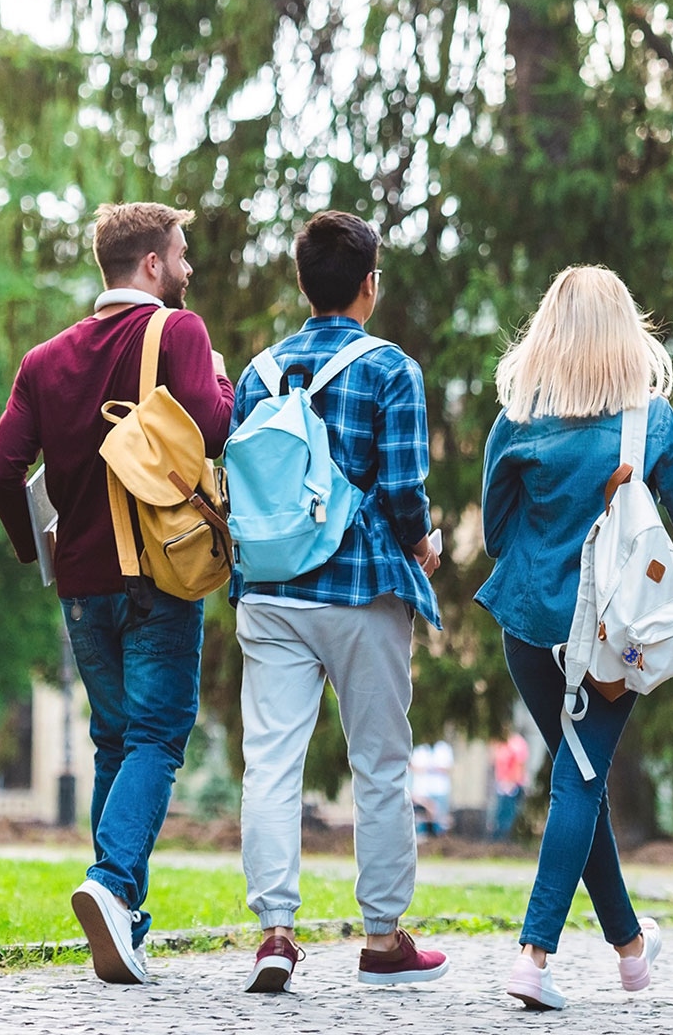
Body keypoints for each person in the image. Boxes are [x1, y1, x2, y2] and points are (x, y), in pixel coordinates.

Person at [0, 202, 234, 984]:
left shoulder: (43, 360)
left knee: (115, 743)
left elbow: (0, 472)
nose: (188, 268)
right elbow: (214, 430)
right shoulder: (179, 333)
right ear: (152, 264)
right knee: (158, 738)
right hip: (159, 575)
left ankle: (125, 928)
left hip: (82, 586)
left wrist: (38, 551)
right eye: (181, 255)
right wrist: (221, 380)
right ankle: (114, 885)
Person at [475, 264, 673, 1010]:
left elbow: (494, 534)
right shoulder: (651, 421)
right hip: (612, 637)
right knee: (579, 780)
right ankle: (533, 956)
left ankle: (632, 950)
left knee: (580, 774)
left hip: (528, 628)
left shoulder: (516, 418)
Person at [233, 210, 449, 994]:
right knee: (380, 765)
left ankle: (274, 933)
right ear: (368, 285)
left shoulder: (257, 374)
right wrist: (422, 542)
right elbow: (402, 487)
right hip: (361, 588)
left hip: (269, 590)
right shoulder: (391, 370)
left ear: (302, 285)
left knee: (271, 763)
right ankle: (383, 940)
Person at [491, 732, 530, 841]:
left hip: (512, 786)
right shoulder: (501, 742)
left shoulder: (517, 743)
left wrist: (512, 783)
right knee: (500, 814)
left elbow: (519, 764)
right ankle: (499, 840)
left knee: (509, 814)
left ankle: (508, 840)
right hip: (502, 784)